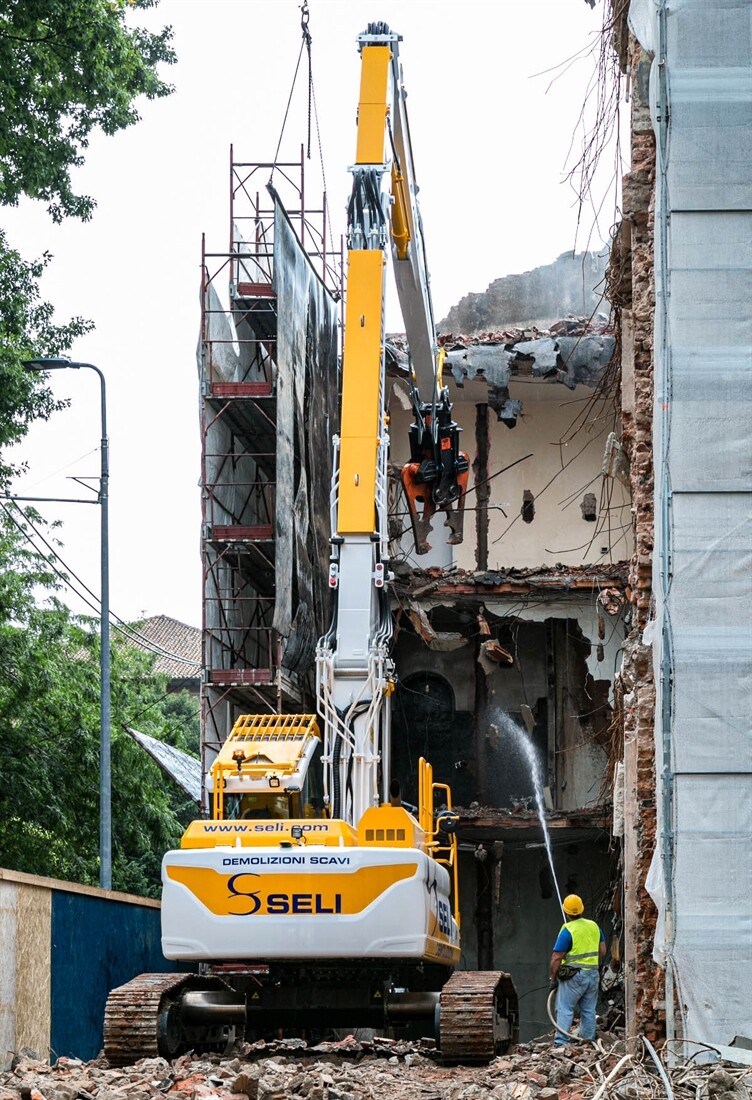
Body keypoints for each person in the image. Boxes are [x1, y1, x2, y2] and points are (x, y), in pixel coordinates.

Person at [549, 893, 606, 1046]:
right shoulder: (594, 926)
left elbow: (556, 957)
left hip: (574, 976)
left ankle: (561, 1043)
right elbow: (603, 951)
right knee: (588, 1010)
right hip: (593, 975)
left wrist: (553, 978)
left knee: (565, 1008)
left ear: (566, 912)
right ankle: (587, 1041)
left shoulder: (567, 929)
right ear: (582, 909)